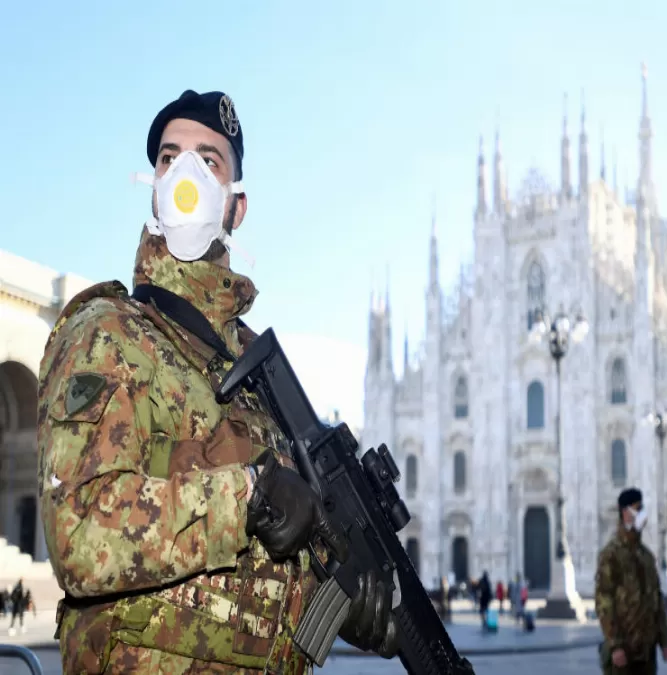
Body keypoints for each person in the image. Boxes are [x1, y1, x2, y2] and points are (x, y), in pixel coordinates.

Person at [37, 89, 398, 674]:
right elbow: (79, 533)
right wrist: (249, 495)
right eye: (168, 158)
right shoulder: (109, 333)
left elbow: (262, 568)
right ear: (152, 186)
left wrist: (343, 602)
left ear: (236, 205)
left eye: (209, 162)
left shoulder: (260, 367)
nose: (186, 177)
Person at [595, 487, 667, 674]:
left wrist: (664, 639)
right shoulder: (611, 554)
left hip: (646, 651)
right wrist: (615, 644)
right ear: (625, 513)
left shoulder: (646, 556)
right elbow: (604, 601)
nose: (642, 514)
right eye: (638, 509)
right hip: (624, 651)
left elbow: (657, 600)